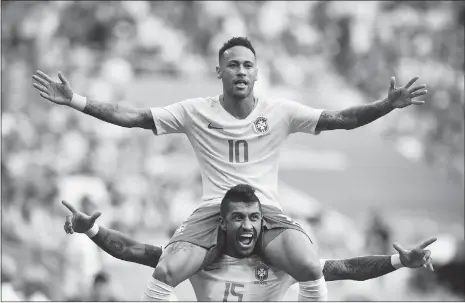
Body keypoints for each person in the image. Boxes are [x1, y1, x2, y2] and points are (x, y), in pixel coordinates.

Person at [32, 36, 428, 301]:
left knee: (310, 264)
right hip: (214, 211)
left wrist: (385, 105)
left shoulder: (281, 112)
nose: (241, 71)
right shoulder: (194, 111)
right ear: (219, 72)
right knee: (167, 269)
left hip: (265, 212)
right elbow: (132, 115)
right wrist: (78, 100)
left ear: (257, 73)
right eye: (233, 65)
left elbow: (342, 117)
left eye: (248, 65)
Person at [62, 184, 435, 301]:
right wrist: (91, 230)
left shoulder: (281, 260)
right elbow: (132, 250)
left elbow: (345, 268)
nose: (247, 225)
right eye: (238, 217)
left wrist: (399, 261)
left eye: (254, 218)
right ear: (222, 223)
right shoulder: (198, 256)